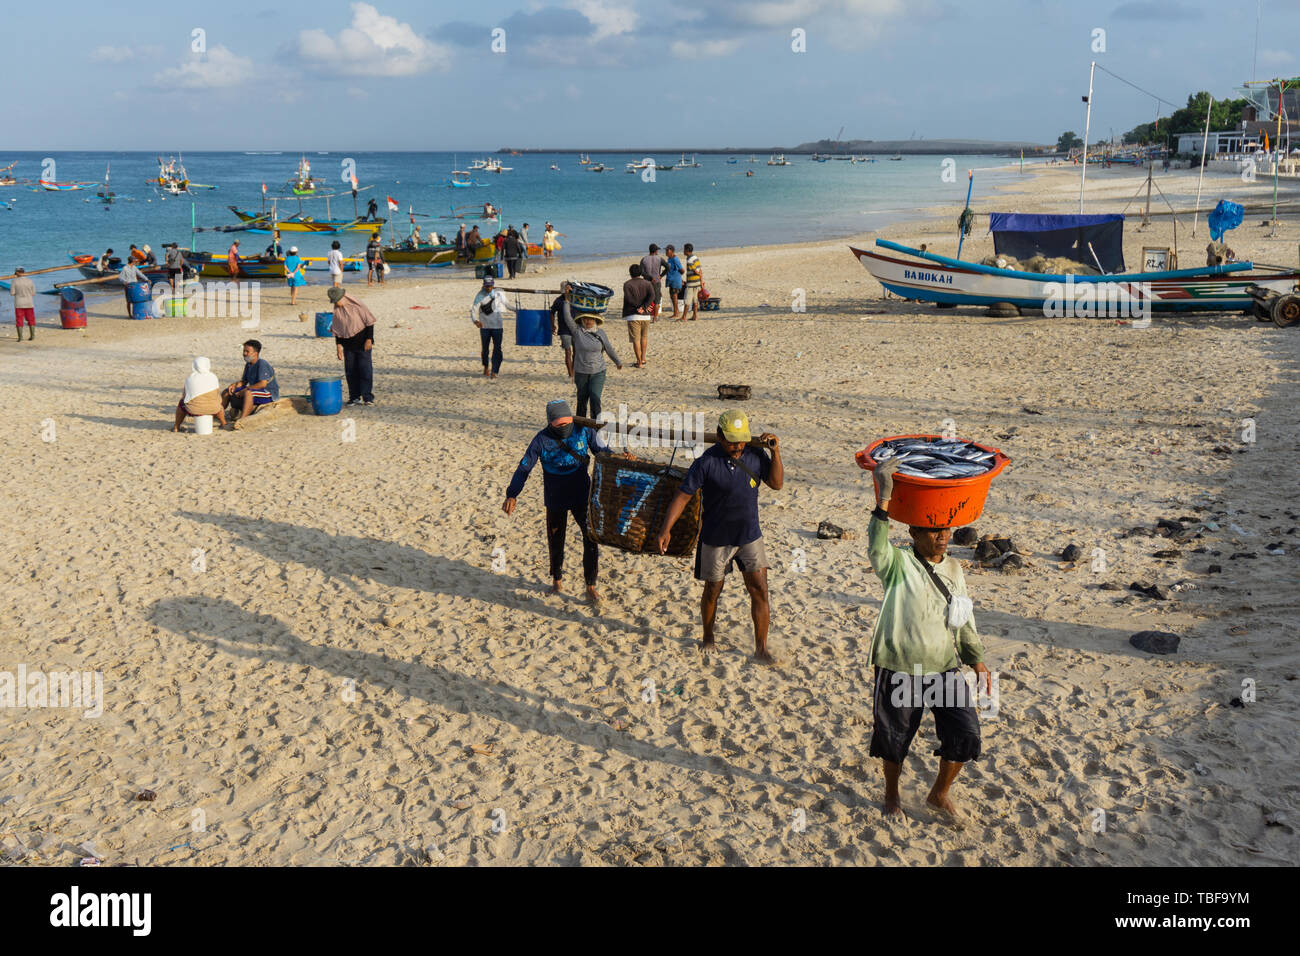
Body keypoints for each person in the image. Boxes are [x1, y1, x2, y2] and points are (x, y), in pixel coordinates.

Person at [864, 457, 990, 821]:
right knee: (893, 740)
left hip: (944, 667)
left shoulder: (953, 567)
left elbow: (962, 615)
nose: (943, 537)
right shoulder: (897, 564)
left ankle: (938, 793)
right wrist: (885, 495)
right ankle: (892, 796)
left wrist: (975, 658)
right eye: (934, 531)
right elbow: (876, 547)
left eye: (947, 531)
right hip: (900, 666)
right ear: (914, 535)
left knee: (966, 735)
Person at [656, 410, 783, 663]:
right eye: (731, 440)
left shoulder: (756, 455)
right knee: (713, 590)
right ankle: (708, 637)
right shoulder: (706, 462)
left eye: (741, 440)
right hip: (715, 538)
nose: (737, 446)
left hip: (749, 536)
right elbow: (683, 496)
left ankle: (761, 648)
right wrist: (665, 529)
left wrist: (775, 453)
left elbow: (777, 484)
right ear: (719, 436)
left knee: (759, 590)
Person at [502, 399, 609, 607]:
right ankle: (557, 581)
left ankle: (590, 585)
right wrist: (512, 494)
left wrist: (621, 457)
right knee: (556, 539)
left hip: (582, 495)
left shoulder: (583, 431)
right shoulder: (541, 440)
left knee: (591, 537)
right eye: (559, 425)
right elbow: (524, 468)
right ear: (550, 423)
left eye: (566, 423)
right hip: (555, 498)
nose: (564, 428)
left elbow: (602, 452)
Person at [329, 286, 377, 406]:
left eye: (337, 300)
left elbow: (369, 323)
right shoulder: (337, 311)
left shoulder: (358, 307)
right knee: (350, 371)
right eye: (334, 301)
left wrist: (369, 339)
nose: (336, 303)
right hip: (348, 346)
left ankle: (367, 397)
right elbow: (338, 331)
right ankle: (354, 397)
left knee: (365, 370)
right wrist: (338, 348)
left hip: (363, 344)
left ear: (343, 297)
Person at [570, 311, 622, 418]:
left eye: (591, 319)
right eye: (586, 319)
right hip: (581, 372)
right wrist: (566, 301)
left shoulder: (601, 333)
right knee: (581, 401)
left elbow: (609, 348)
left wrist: (617, 361)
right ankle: (580, 429)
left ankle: (596, 428)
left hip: (598, 372)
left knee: (595, 399)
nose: (588, 321)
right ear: (581, 320)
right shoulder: (577, 332)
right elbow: (567, 318)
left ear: (595, 320)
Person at [221, 339, 278, 426]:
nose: (244, 353)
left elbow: (263, 384)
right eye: (244, 351)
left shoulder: (262, 364)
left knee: (248, 393)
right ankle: (218, 414)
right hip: (255, 390)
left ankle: (242, 420)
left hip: (268, 392)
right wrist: (234, 386)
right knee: (227, 391)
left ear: (255, 353)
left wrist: (245, 390)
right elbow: (244, 381)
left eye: (247, 351)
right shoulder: (248, 364)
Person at [470, 275, 515, 379]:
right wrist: (475, 321)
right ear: (483, 286)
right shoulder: (480, 295)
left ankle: (495, 371)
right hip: (485, 327)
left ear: (493, 285)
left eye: (490, 286)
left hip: (498, 326)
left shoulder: (499, 294)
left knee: (497, 349)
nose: (488, 288)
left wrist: (518, 310)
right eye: (486, 286)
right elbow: (474, 309)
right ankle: (486, 366)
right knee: (485, 349)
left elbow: (508, 305)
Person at [172, 356, 226, 431]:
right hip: (214, 409)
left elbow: (185, 396)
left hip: (193, 410)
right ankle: (223, 423)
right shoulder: (213, 377)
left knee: (181, 403)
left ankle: (176, 427)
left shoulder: (190, 379)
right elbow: (217, 395)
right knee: (219, 405)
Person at [622, 263, 656, 369]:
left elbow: (629, 299)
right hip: (646, 315)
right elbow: (652, 295)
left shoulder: (627, 284)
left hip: (633, 315)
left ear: (630, 273)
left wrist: (639, 307)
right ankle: (643, 358)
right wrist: (644, 307)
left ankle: (639, 362)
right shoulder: (647, 283)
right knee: (644, 337)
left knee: (636, 339)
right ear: (641, 273)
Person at [551, 280, 579, 379]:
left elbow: (552, 312)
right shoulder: (560, 301)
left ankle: (573, 373)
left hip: (575, 329)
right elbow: (552, 312)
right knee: (569, 352)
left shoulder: (574, 299)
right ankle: (571, 374)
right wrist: (552, 324)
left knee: (574, 352)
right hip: (565, 330)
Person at [9, 267, 36, 342]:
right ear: (24, 272)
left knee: (19, 320)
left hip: (19, 303)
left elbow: (12, 293)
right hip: (29, 303)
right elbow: (33, 293)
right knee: (31, 319)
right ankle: (32, 336)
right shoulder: (30, 281)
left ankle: (20, 337)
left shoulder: (14, 281)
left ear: (17, 273)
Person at [639, 243, 665, 318]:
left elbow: (641, 272)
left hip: (647, 282)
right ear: (656, 251)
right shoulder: (659, 259)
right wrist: (661, 275)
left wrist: (649, 277)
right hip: (656, 282)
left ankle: (647, 315)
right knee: (656, 300)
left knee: (647, 299)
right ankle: (655, 318)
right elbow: (668, 267)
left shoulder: (644, 259)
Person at [682, 242, 703, 320]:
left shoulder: (689, 260)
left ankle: (684, 317)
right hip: (697, 282)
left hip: (691, 283)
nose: (683, 251)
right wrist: (701, 281)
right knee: (695, 300)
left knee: (687, 300)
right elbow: (700, 270)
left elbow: (695, 271)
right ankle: (695, 316)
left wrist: (699, 275)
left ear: (687, 250)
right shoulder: (695, 257)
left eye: (684, 249)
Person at [664, 244, 685, 319]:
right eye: (665, 250)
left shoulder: (675, 259)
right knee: (672, 297)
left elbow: (682, 270)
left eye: (667, 250)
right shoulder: (669, 259)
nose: (666, 252)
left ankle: (676, 313)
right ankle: (676, 312)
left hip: (675, 281)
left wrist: (679, 278)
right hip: (671, 281)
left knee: (674, 296)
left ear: (671, 251)